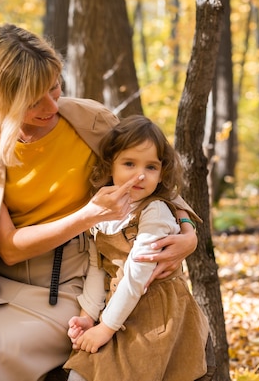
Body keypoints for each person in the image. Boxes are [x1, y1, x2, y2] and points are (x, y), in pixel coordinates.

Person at [0, 23, 199, 381]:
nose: (51, 106)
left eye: (54, 88)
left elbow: (148, 177)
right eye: (34, 99)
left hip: (71, 285)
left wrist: (188, 230)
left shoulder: (92, 122)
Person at [63, 115, 210, 381]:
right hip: (118, 307)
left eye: (151, 167)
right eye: (129, 163)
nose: (140, 175)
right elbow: (98, 268)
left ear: (162, 172)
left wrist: (105, 328)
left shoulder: (154, 211)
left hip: (156, 314)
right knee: (82, 372)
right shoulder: (104, 211)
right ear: (110, 166)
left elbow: (136, 275)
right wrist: (88, 317)